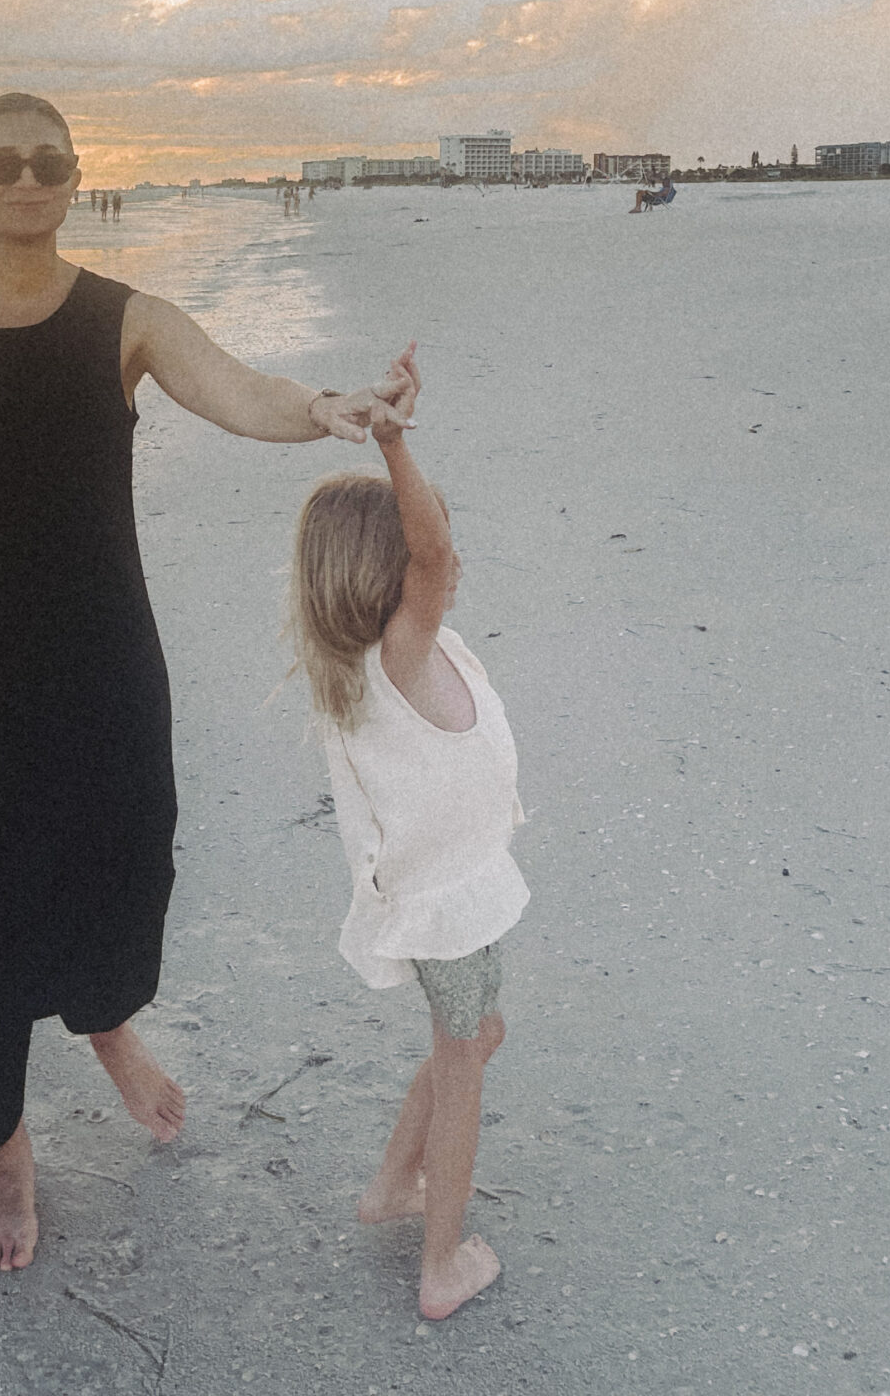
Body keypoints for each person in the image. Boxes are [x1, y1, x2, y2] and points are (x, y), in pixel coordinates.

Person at [0, 91, 414, 1271]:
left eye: (49, 162)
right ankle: (3, 1153)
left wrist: (329, 408)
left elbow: (241, 390)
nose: (28, 179)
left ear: (75, 180)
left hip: (94, 662)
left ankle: (104, 1019)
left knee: (113, 862)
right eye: (4, 163)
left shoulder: (127, 320)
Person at [290, 349, 530, 1320]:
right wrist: (392, 444)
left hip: (446, 897)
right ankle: (441, 1267)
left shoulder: (367, 662)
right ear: (390, 576)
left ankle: (393, 1185)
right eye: (427, 556)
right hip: (453, 909)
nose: (447, 561)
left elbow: (432, 553)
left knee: (472, 1033)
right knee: (466, 1057)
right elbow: (436, 555)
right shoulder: (402, 652)